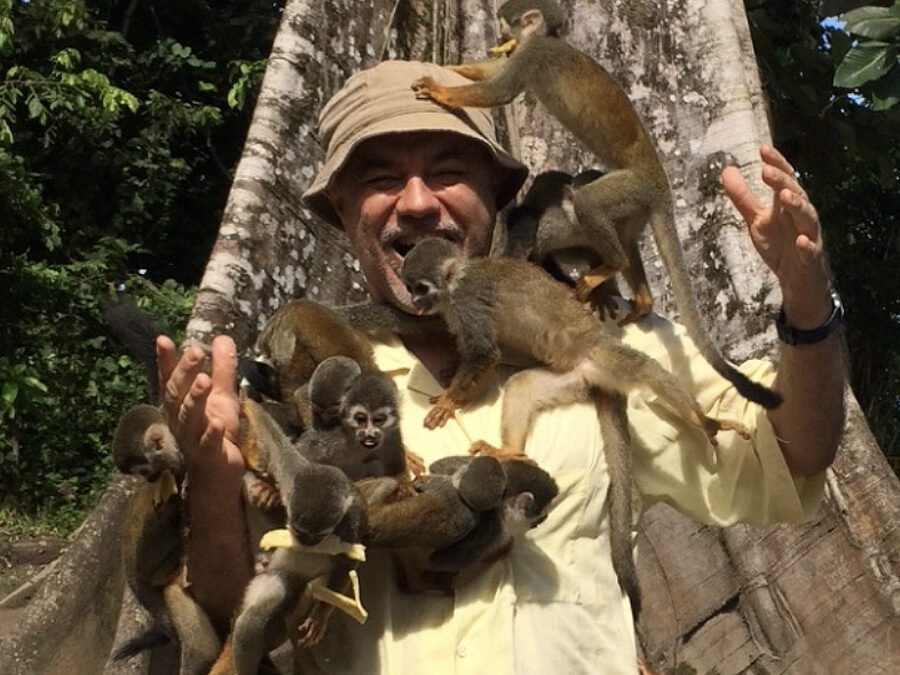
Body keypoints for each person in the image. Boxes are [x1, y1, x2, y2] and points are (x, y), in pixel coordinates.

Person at [156, 60, 845, 673]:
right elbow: (232, 615)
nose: (419, 201)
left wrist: (807, 304)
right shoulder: (310, 379)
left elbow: (794, 453)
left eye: (449, 170)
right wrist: (215, 484)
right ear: (340, 210)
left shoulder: (586, 331)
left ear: (495, 192)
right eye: (381, 176)